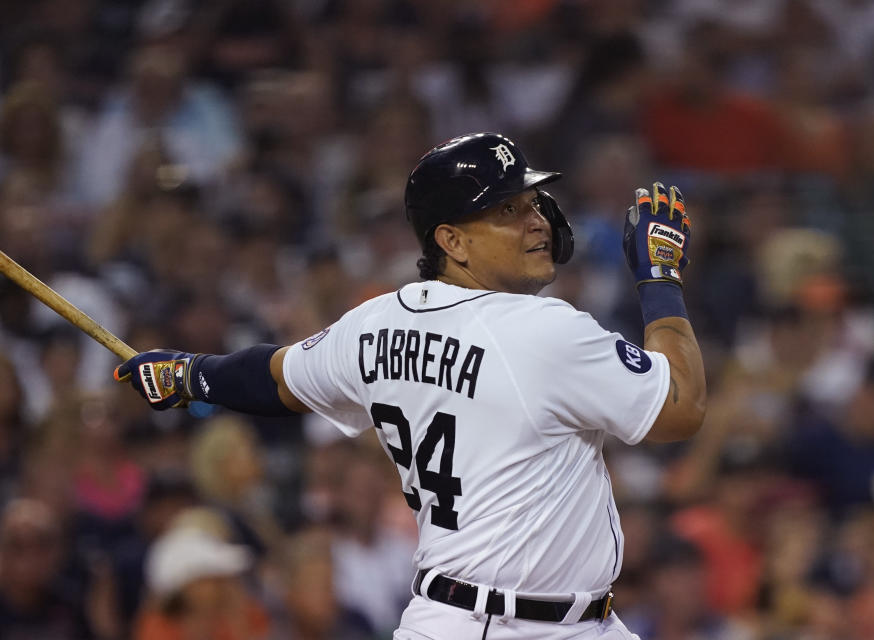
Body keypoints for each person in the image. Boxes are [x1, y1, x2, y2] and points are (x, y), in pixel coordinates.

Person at [114, 132, 706, 639]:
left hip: (502, 619)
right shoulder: (543, 330)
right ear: (450, 241)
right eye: (505, 211)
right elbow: (680, 409)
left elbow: (276, 379)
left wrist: (191, 375)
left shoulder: (374, 322)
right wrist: (659, 278)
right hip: (502, 624)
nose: (535, 222)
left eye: (533, 203)